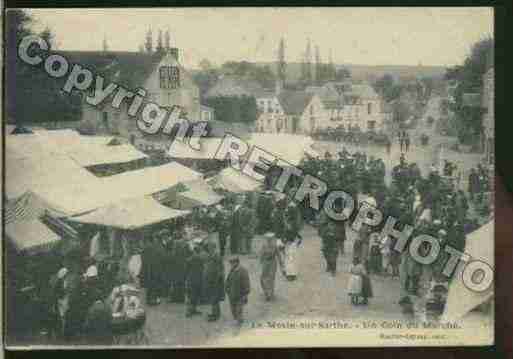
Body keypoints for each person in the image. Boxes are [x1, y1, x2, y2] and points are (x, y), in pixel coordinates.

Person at [225, 256, 250, 327]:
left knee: (239, 309)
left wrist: (245, 294)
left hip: (240, 294)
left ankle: (239, 321)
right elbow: (228, 280)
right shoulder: (232, 270)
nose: (231, 264)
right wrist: (227, 289)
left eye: (233, 263)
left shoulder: (243, 271)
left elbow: (246, 283)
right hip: (232, 294)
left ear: (237, 262)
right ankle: (237, 319)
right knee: (233, 309)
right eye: (231, 263)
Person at [203, 241, 225, 321]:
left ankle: (215, 315)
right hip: (210, 279)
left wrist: (219, 277)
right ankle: (215, 313)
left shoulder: (216, 255)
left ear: (213, 247)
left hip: (215, 280)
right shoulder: (210, 255)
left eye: (210, 247)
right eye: (208, 247)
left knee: (215, 298)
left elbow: (221, 268)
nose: (209, 248)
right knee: (212, 298)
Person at [259, 233, 284, 301]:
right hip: (265, 263)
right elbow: (261, 254)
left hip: (273, 262)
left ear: (272, 239)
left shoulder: (275, 246)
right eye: (268, 239)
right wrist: (261, 262)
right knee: (263, 278)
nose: (269, 240)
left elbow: (278, 255)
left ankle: (270, 294)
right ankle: (266, 292)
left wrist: (281, 265)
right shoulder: (264, 246)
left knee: (271, 278)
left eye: (270, 239)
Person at [185, 244, 204, 317]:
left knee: (191, 296)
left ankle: (190, 311)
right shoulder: (201, 259)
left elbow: (186, 270)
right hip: (198, 279)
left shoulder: (189, 259)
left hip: (191, 279)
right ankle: (191, 311)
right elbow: (203, 269)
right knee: (195, 295)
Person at [318, 211, 339, 276]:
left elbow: (337, 237)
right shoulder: (324, 227)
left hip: (333, 244)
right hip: (326, 243)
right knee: (326, 255)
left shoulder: (335, 227)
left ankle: (333, 270)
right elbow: (322, 236)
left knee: (333, 257)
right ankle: (329, 265)